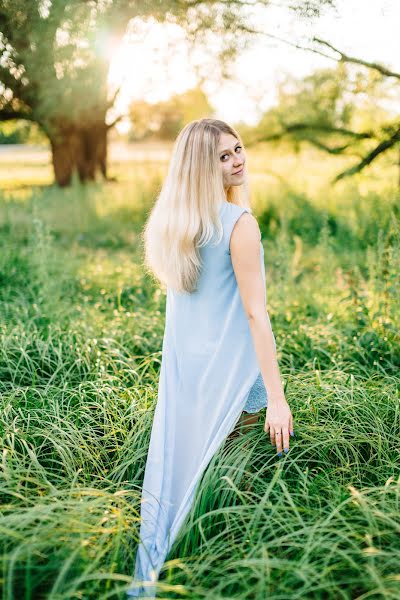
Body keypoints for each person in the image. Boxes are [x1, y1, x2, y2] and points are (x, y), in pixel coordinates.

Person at [126, 118, 294, 598]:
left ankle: (185, 563)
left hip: (189, 377)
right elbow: (255, 315)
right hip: (235, 377)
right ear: (203, 165)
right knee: (232, 489)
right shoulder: (239, 225)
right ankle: (223, 569)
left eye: (238, 148)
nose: (238, 159)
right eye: (223, 156)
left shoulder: (174, 223)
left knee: (193, 478)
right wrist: (277, 399)